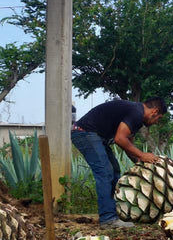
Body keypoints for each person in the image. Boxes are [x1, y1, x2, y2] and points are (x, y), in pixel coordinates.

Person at [71, 97, 166, 228]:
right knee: (105, 172)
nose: (156, 122)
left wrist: (139, 162)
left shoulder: (137, 118)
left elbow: (128, 144)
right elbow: (120, 139)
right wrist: (142, 155)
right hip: (84, 132)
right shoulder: (137, 112)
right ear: (154, 111)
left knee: (114, 170)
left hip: (95, 135)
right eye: (159, 118)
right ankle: (108, 219)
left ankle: (115, 213)